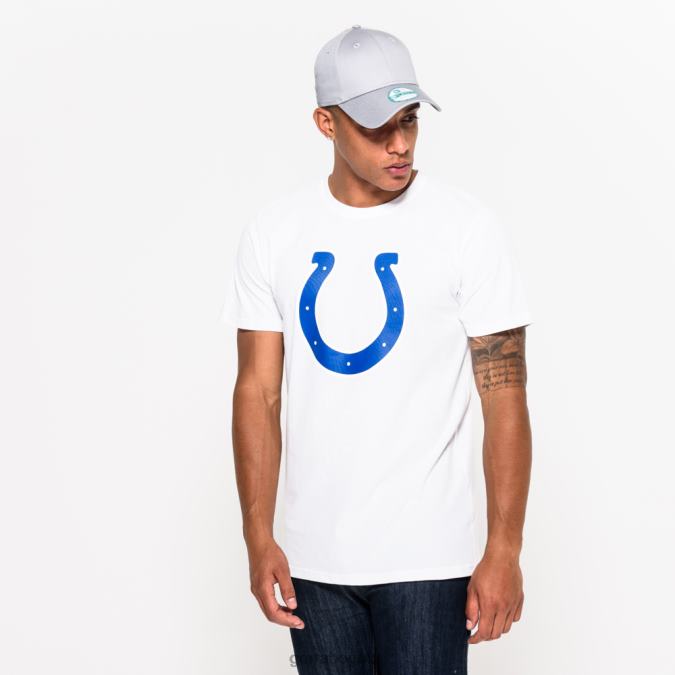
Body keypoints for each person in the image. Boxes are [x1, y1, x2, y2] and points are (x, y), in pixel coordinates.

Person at [220, 24, 533, 675]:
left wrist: (504, 547)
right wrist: (257, 536)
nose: (400, 144)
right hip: (315, 562)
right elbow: (258, 391)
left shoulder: (465, 228)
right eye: (375, 127)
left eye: (409, 120)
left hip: (429, 558)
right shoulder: (274, 234)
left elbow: (503, 393)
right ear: (325, 123)